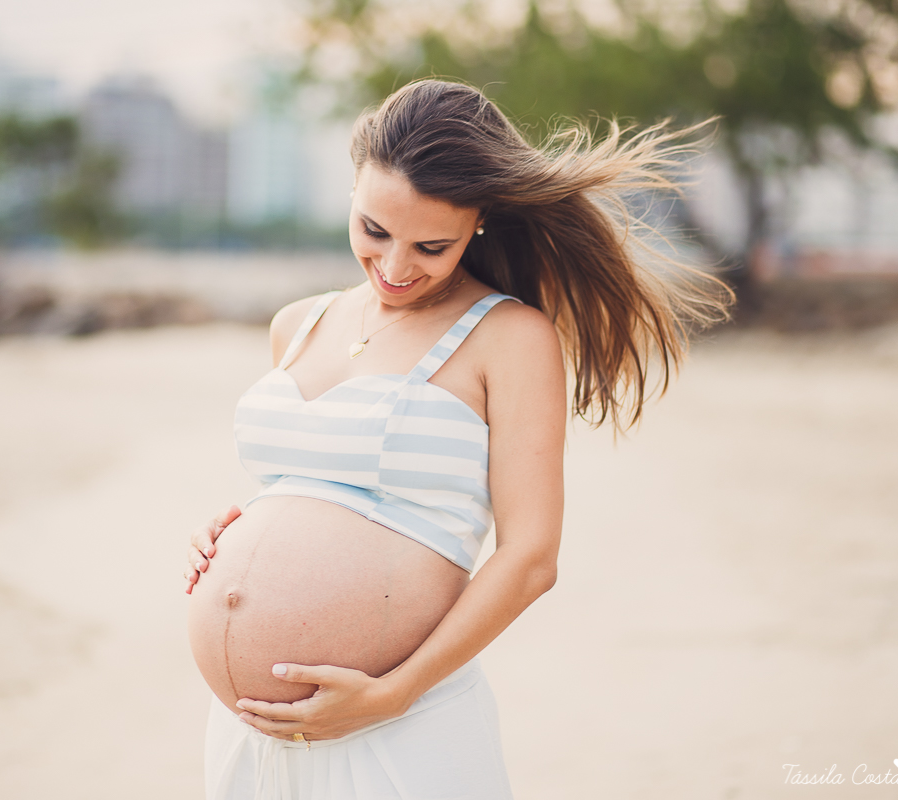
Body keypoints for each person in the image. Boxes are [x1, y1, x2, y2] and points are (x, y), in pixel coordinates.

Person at [183, 79, 730, 799]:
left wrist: (392, 694)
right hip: (249, 736)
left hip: (401, 723)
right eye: (373, 231)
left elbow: (531, 558)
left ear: (477, 223)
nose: (396, 267)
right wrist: (228, 535)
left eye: (431, 246)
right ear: (352, 190)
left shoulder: (509, 338)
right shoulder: (299, 322)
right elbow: (304, 489)